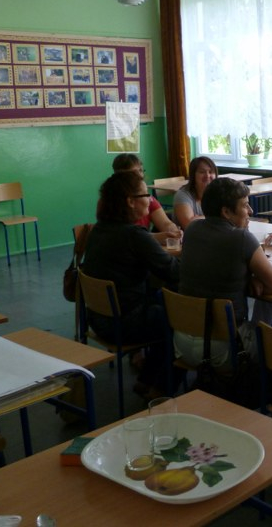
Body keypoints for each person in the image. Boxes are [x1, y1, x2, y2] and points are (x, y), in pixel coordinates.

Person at [82, 171, 180, 400]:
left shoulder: (98, 229)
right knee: (181, 319)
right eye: (146, 195)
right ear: (130, 201)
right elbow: (174, 271)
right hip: (124, 323)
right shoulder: (134, 235)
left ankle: (147, 379)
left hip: (98, 318)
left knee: (162, 304)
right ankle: (161, 389)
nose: (150, 200)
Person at [176, 177, 272, 370]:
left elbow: (213, 268)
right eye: (245, 205)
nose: (250, 211)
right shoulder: (242, 238)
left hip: (181, 342)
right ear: (226, 212)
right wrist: (252, 278)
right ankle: (260, 382)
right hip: (223, 350)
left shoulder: (191, 230)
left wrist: (247, 278)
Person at [111, 153, 181, 245]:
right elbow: (124, 235)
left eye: (141, 170)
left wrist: (174, 231)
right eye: (133, 173)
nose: (140, 176)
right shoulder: (113, 202)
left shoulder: (148, 199)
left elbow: (165, 223)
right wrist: (158, 237)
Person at [173, 156, 218, 229]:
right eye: (202, 172)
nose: (207, 175)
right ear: (193, 175)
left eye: (210, 172)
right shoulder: (182, 195)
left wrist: (198, 218)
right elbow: (188, 225)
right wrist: (215, 217)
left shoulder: (218, 192)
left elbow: (230, 217)